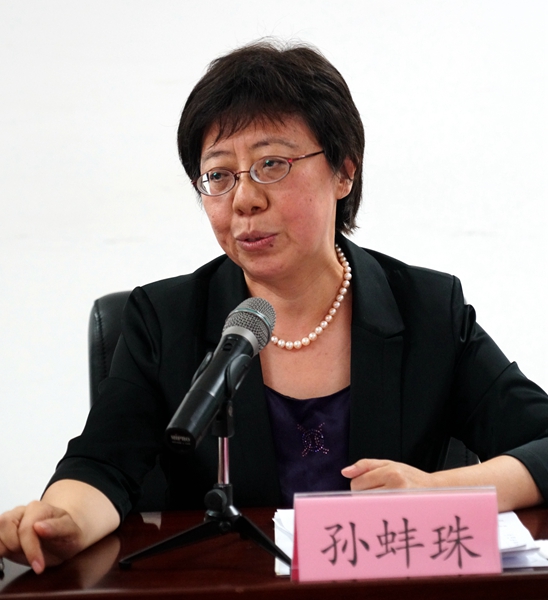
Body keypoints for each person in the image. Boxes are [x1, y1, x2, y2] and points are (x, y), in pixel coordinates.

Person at [1, 39, 548, 575]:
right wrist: (63, 521)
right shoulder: (164, 320)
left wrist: (436, 490)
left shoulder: (428, 310)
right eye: (219, 175)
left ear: (344, 171)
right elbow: (102, 464)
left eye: (272, 164)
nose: (244, 199)